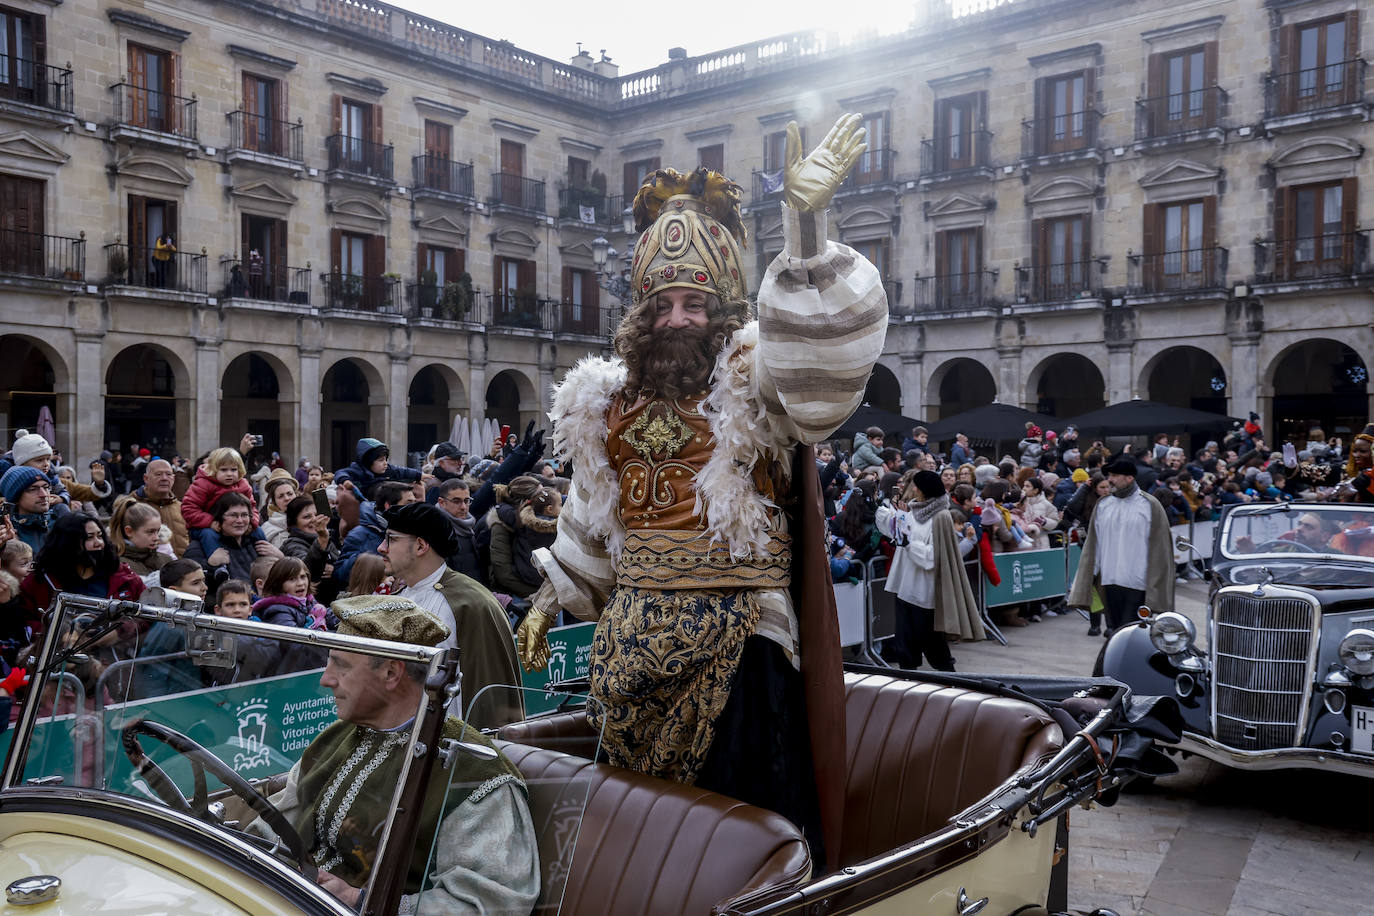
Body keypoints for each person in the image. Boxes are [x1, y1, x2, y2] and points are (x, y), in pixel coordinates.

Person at [515, 116, 884, 866]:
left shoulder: (751, 381)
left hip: (741, 643)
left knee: (737, 826)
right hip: (630, 642)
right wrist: (552, 595)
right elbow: (594, 513)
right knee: (643, 825)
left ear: (722, 311)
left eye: (693, 303)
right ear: (640, 314)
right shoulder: (604, 401)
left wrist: (806, 235)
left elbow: (816, 378)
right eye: (661, 306)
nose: (676, 319)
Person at [247, 595, 537, 912]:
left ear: (391, 674)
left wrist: (358, 901)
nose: (326, 679)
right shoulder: (336, 737)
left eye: (340, 665)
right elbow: (273, 828)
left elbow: (491, 903)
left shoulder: (473, 773)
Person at [380, 503, 521, 723]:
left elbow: (489, 697)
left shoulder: (472, 604)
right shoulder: (398, 598)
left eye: (391, 539)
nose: (381, 547)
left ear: (420, 546)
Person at [874, 470, 983, 671]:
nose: (913, 489)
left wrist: (909, 544)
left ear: (925, 490)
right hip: (904, 589)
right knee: (905, 646)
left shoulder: (941, 517)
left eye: (917, 486)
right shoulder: (914, 510)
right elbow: (895, 529)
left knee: (933, 646)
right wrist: (878, 508)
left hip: (924, 592)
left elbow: (934, 556)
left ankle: (951, 681)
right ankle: (908, 681)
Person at [1067, 457, 1174, 636]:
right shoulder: (1103, 505)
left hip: (1138, 581)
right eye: (1109, 475)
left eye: (1115, 476)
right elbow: (1095, 543)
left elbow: (1161, 548)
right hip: (1109, 580)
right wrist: (1090, 574)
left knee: (1130, 630)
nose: (1110, 480)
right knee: (1116, 630)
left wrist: (1156, 583)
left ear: (1129, 478)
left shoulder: (1149, 505)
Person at [20, 514, 144, 631]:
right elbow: (24, 622)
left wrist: (118, 633)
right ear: (68, 543)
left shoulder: (125, 577)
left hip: (116, 646)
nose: (98, 543)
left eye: (100, 536)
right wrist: (62, 635)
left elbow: (145, 616)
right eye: (89, 537)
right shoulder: (40, 581)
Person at [184, 493, 282, 584]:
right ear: (218, 518)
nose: (240, 520)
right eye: (233, 515)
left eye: (244, 515)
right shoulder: (199, 548)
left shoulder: (256, 543)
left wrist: (281, 558)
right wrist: (210, 566)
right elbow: (191, 586)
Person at [486, 475, 557, 600]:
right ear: (524, 502)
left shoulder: (532, 524)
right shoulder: (501, 525)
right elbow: (503, 573)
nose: (544, 499)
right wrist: (541, 594)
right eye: (539, 496)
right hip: (517, 597)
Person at [182, 447, 263, 556]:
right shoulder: (203, 484)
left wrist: (252, 522)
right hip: (204, 526)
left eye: (233, 470)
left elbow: (252, 507)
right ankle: (218, 562)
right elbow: (189, 509)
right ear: (214, 470)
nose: (229, 474)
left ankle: (267, 557)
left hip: (234, 524)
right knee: (209, 535)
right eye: (224, 470)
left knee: (257, 531)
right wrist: (210, 522)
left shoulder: (243, 485)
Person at [334, 480, 414, 584]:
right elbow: (340, 574)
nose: (414, 508)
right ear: (388, 506)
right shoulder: (359, 535)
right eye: (409, 503)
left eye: (415, 503)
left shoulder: (412, 531)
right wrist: (374, 564)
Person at [332, 437, 422, 501]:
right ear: (368, 461)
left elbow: (401, 471)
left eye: (386, 459)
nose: (385, 463)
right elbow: (341, 473)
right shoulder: (358, 470)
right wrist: (345, 481)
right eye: (381, 460)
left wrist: (419, 475)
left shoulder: (388, 469)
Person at [133, 458, 189, 555]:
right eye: (158, 474)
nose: (164, 478)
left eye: (168, 474)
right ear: (146, 478)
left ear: (173, 478)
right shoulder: (132, 507)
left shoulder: (182, 507)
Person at [109, 497, 173, 580]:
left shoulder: (166, 560)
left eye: (158, 531)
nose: (156, 538)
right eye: (150, 532)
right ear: (129, 531)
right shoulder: (116, 566)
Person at [436, 478, 485, 584]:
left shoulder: (466, 526)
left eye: (466, 501)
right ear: (442, 502)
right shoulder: (437, 532)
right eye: (456, 501)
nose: (463, 507)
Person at [1, 467, 58, 552]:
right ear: (16, 498)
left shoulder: (59, 522)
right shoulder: (5, 532)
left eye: (46, 487)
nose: (44, 494)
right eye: (33, 489)